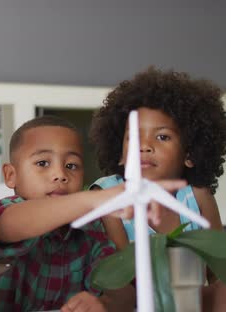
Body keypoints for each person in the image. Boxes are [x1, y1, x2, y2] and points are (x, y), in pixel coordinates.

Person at [0, 116, 168, 311]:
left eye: (71, 166)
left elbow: (124, 292)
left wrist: (103, 304)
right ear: (11, 175)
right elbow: (18, 222)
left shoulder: (91, 230)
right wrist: (92, 199)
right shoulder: (7, 212)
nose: (60, 175)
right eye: (43, 163)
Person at [89, 67, 226, 310]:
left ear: (190, 154)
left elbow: (218, 266)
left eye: (162, 137)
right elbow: (123, 277)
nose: (144, 146)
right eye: (133, 137)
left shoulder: (197, 193)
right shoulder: (107, 196)